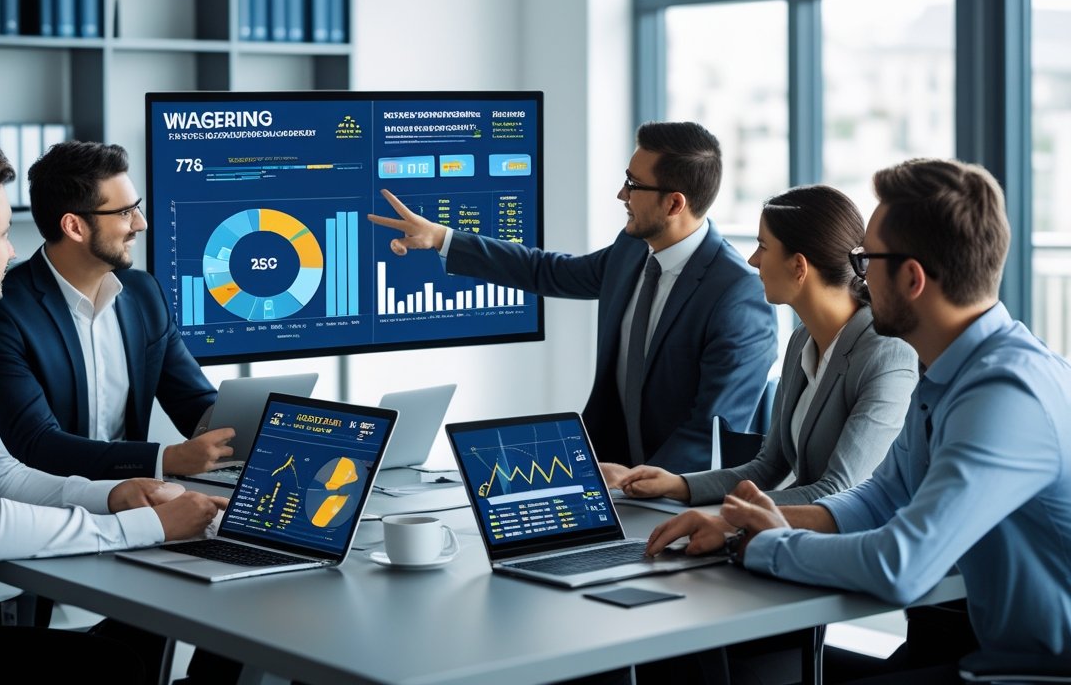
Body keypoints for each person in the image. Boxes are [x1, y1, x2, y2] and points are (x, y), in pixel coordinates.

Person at [647, 158, 1071, 680]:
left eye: (866, 257)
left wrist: (768, 546)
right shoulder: (946, 374)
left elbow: (901, 566)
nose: (858, 273)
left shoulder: (1005, 396)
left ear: (911, 278)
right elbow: (880, 497)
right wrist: (737, 524)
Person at [0, 145, 226, 682]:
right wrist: (144, 525)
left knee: (135, 651)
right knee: (114, 668)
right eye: (4, 234)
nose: (11, 252)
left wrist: (116, 494)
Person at [370, 120, 777, 474]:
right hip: (614, 481)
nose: (622, 194)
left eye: (634, 185)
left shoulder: (738, 297)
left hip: (677, 503)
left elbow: (708, 437)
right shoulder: (633, 250)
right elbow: (550, 271)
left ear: (674, 203)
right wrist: (442, 238)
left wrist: (636, 488)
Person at [612, 184, 917, 506]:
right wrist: (676, 485)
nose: (753, 260)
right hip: (797, 536)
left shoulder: (886, 355)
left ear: (798, 267)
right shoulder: (802, 339)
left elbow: (838, 491)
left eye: (763, 247)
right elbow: (768, 466)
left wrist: (727, 518)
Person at [0, 140, 234, 481]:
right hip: (46, 511)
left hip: (137, 500)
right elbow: (35, 444)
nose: (141, 224)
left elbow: (193, 403)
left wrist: (260, 424)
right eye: (124, 213)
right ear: (74, 226)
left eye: (137, 208)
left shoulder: (144, 293)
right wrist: (167, 459)